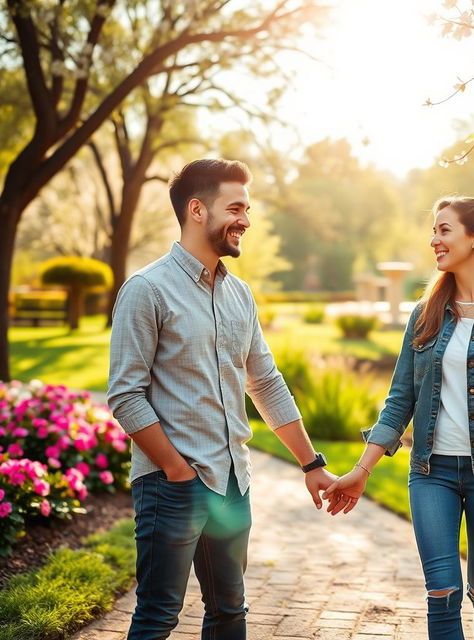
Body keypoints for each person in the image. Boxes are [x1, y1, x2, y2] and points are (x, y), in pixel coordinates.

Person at [107, 158, 336, 640]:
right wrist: (176, 470)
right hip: (174, 486)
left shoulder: (241, 296)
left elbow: (266, 383)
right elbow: (125, 396)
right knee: (157, 617)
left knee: (231, 612)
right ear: (196, 210)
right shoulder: (146, 290)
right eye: (235, 208)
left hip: (234, 482)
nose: (246, 221)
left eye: (247, 209)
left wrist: (311, 463)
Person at [323, 196, 474, 640]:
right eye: (434, 231)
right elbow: (399, 399)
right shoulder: (425, 314)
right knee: (442, 592)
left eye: (445, 230)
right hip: (431, 473)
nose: (434, 240)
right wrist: (361, 470)